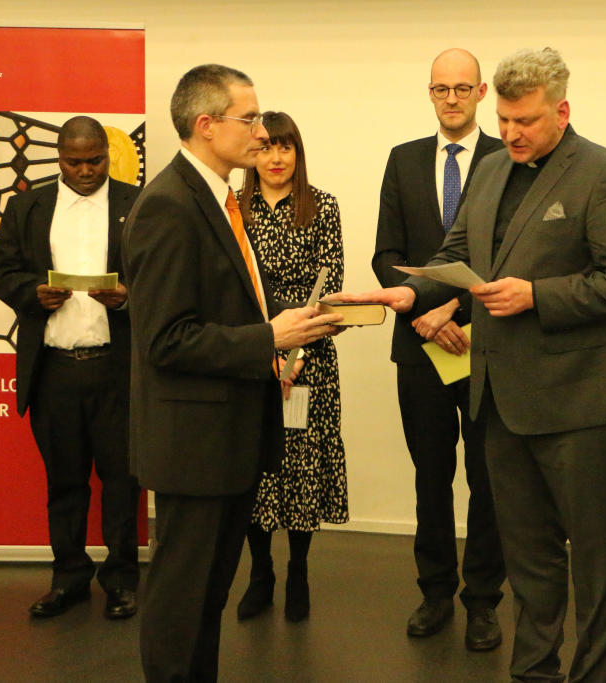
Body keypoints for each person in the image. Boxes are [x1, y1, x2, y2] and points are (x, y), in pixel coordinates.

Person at [338, 47, 606, 681]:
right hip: (504, 404)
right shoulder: (489, 170)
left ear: (561, 112)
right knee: (530, 562)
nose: (510, 133)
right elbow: (455, 253)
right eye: (505, 120)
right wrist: (412, 292)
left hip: (583, 407)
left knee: (596, 565)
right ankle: (533, 671)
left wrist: (538, 295)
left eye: (526, 121)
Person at [122, 65, 341, 682]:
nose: (262, 131)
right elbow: (166, 339)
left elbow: (229, 306)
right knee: (181, 603)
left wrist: (292, 334)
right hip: (193, 446)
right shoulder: (168, 206)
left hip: (225, 440)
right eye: (250, 119)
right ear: (206, 125)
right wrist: (270, 337)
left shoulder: (216, 199)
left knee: (206, 600)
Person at [372, 48, 507, 651]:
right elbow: (385, 254)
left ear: (481, 93)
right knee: (431, 477)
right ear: (429, 93)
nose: (451, 99)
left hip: (483, 344)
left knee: (487, 478)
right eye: (440, 89)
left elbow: (511, 255)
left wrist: (454, 309)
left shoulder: (506, 160)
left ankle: (482, 601)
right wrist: (423, 314)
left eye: (462, 88)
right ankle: (434, 593)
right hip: (418, 347)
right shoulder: (402, 160)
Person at [0, 116, 141, 620]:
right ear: (59, 158)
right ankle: (69, 577)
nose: (86, 171)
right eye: (74, 162)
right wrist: (31, 293)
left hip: (117, 369)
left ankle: (121, 580)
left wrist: (127, 298)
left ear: (107, 155)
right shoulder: (27, 206)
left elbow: (163, 276)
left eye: (95, 160)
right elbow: (0, 271)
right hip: (53, 370)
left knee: (122, 481)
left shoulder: (138, 204)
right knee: (65, 482)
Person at [233, 111, 348, 623]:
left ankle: (298, 570)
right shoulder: (234, 209)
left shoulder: (322, 206)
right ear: (252, 153)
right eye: (266, 147)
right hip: (252, 357)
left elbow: (329, 288)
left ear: (298, 153)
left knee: (302, 468)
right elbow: (232, 290)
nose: (276, 158)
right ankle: (261, 572)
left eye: (285, 147)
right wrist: (269, 350)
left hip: (310, 363)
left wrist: (296, 350)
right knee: (254, 470)